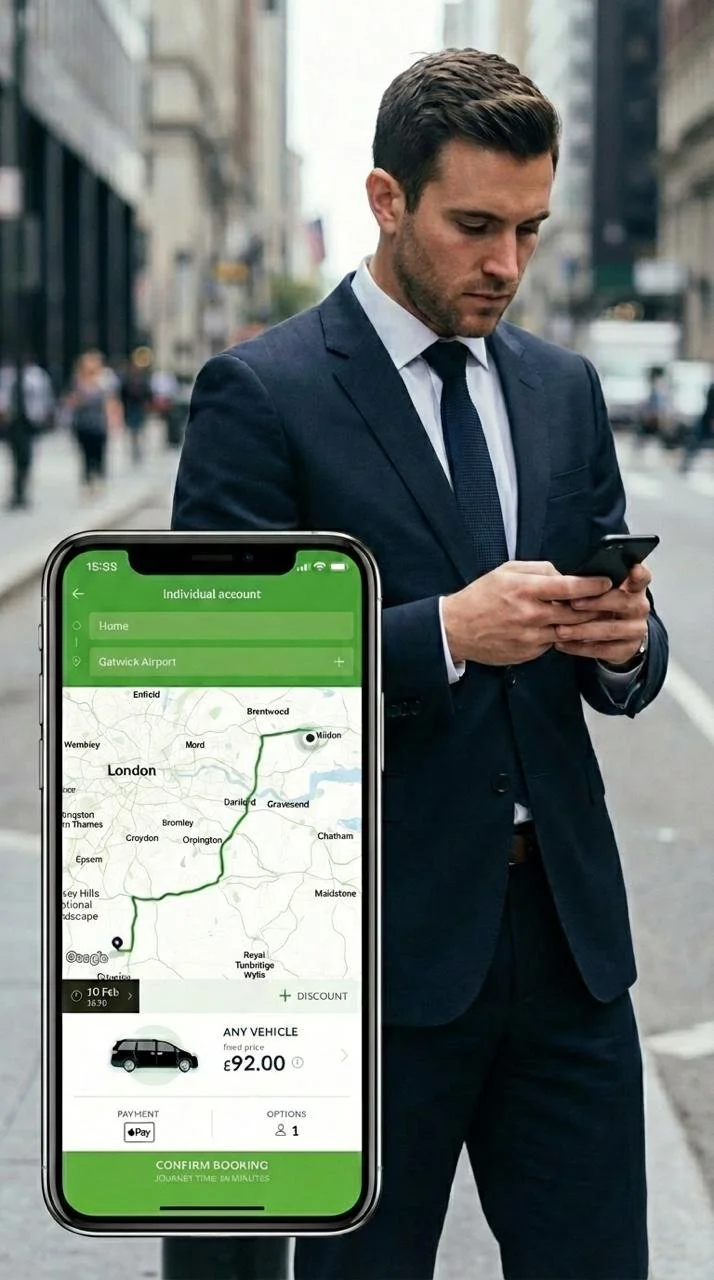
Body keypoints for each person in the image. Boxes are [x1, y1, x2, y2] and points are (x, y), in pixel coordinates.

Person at [170, 48, 668, 1280]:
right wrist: (442, 631)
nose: (507, 264)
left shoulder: (562, 388)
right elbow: (207, 669)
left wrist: (626, 646)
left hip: (566, 947)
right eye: (475, 226)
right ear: (389, 200)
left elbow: (620, 651)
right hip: (366, 955)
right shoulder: (263, 392)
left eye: (533, 229)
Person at [0, 355, 54, 508]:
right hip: (11, 422)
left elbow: (45, 396)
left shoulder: (37, 376)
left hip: (30, 421)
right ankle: (17, 492)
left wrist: (46, 415)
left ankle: (23, 490)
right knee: (14, 457)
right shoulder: (6, 375)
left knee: (26, 457)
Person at [65, 349, 120, 498]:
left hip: (99, 423)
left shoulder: (105, 379)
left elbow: (111, 401)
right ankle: (87, 481)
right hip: (82, 424)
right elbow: (70, 401)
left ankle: (98, 480)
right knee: (85, 454)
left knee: (99, 453)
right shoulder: (78, 379)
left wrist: (114, 421)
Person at [119, 346, 154, 463]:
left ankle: (139, 451)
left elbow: (148, 391)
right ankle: (134, 451)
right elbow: (122, 392)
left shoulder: (144, 377)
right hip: (130, 407)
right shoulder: (126, 376)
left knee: (140, 431)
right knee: (133, 431)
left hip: (140, 407)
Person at [679, 375, 714, 473]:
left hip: (706, 422)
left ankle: (685, 465)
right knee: (694, 443)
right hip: (706, 422)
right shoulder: (712, 388)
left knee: (695, 443)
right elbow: (710, 407)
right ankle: (685, 466)